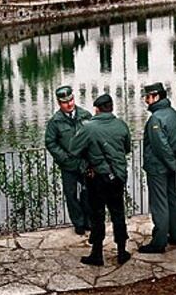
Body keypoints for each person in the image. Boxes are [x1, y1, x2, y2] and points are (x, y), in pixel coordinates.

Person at [70, 94, 131, 266]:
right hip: (118, 177)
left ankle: (97, 253)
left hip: (97, 178)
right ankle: (121, 252)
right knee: (118, 213)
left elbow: (74, 149)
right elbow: (126, 148)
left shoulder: (89, 128)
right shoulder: (121, 125)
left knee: (97, 216)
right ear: (111, 107)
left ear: (96, 109)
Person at [138, 82, 176, 254]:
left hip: (157, 168)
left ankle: (158, 243)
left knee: (159, 204)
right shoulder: (174, 114)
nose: (146, 101)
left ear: (156, 96)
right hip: (170, 166)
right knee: (172, 199)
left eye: (147, 97)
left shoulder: (156, 119)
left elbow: (160, 146)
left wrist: (172, 162)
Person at [45, 85, 92, 236]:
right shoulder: (55, 122)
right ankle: (78, 223)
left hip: (85, 163)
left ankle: (89, 221)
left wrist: (91, 159)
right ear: (59, 103)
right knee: (71, 195)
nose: (70, 104)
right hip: (68, 165)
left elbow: (93, 137)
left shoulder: (85, 115)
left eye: (71, 100)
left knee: (88, 192)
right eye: (65, 102)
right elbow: (50, 142)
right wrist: (64, 158)